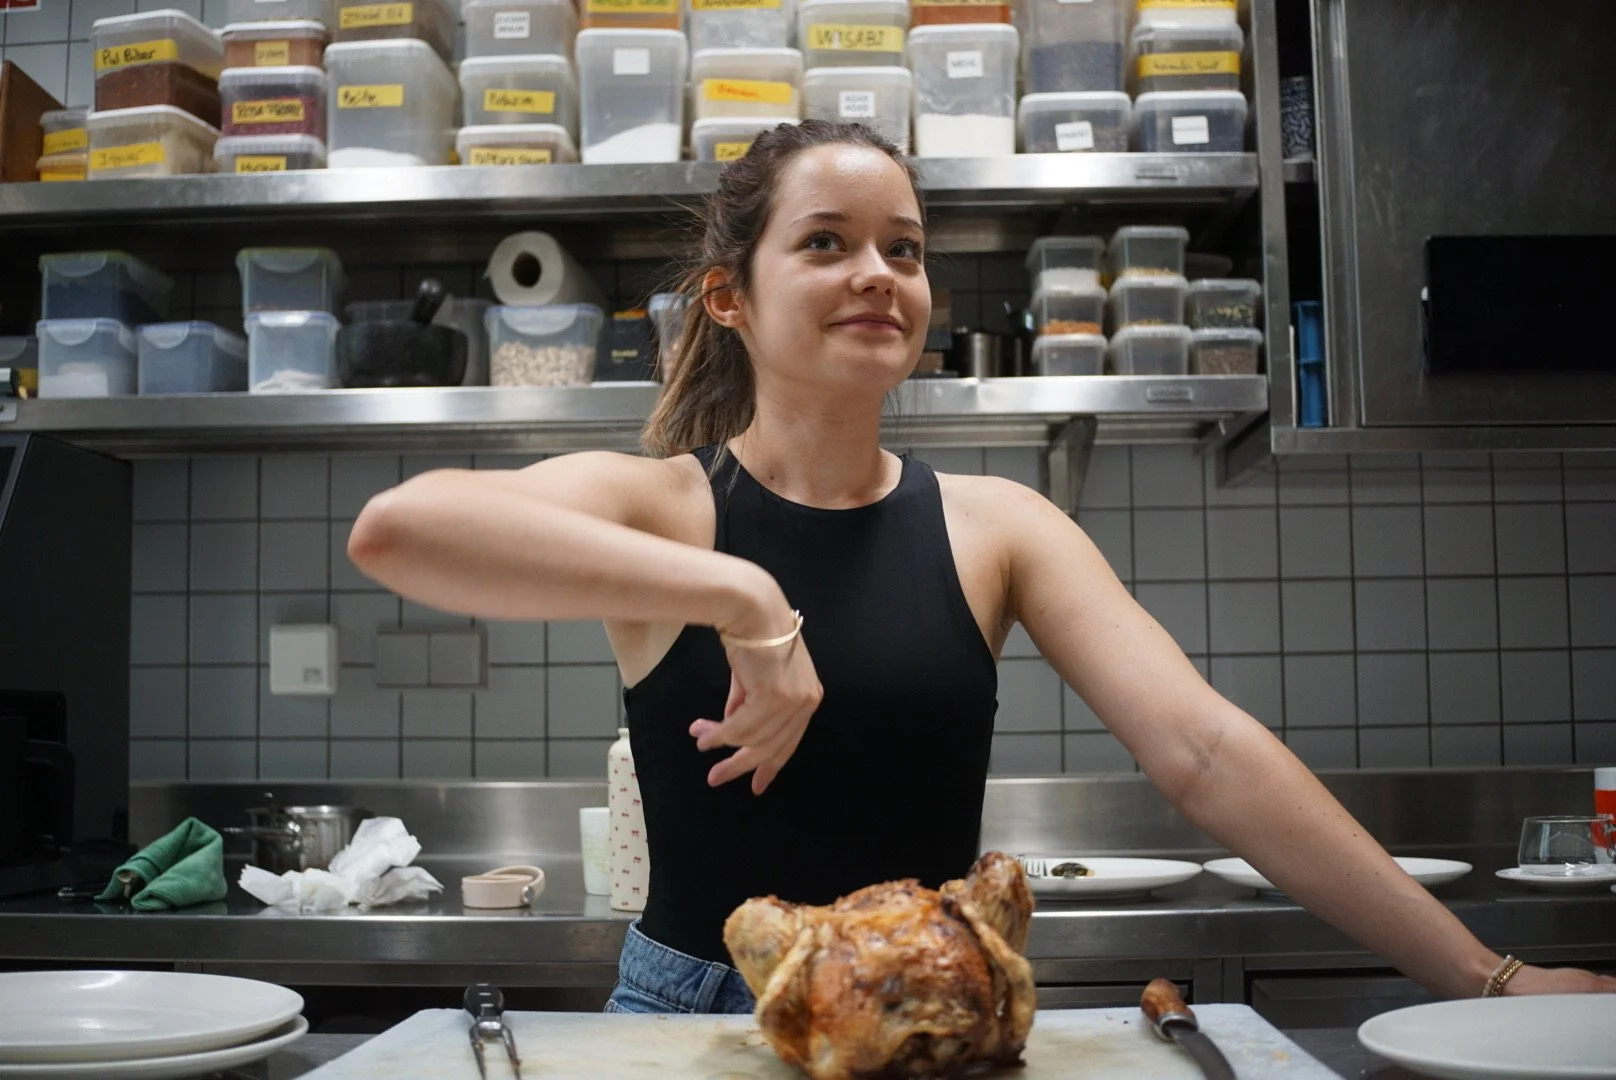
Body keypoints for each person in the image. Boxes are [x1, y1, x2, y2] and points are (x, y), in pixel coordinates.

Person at [347, 120, 1616, 1013]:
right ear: (726, 296)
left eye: (901, 249)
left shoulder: (998, 526)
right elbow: (404, 531)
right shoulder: (667, 507)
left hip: (937, 1015)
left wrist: (1480, 974)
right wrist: (742, 597)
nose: (876, 276)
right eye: (828, 243)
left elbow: (1206, 753)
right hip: (699, 1021)